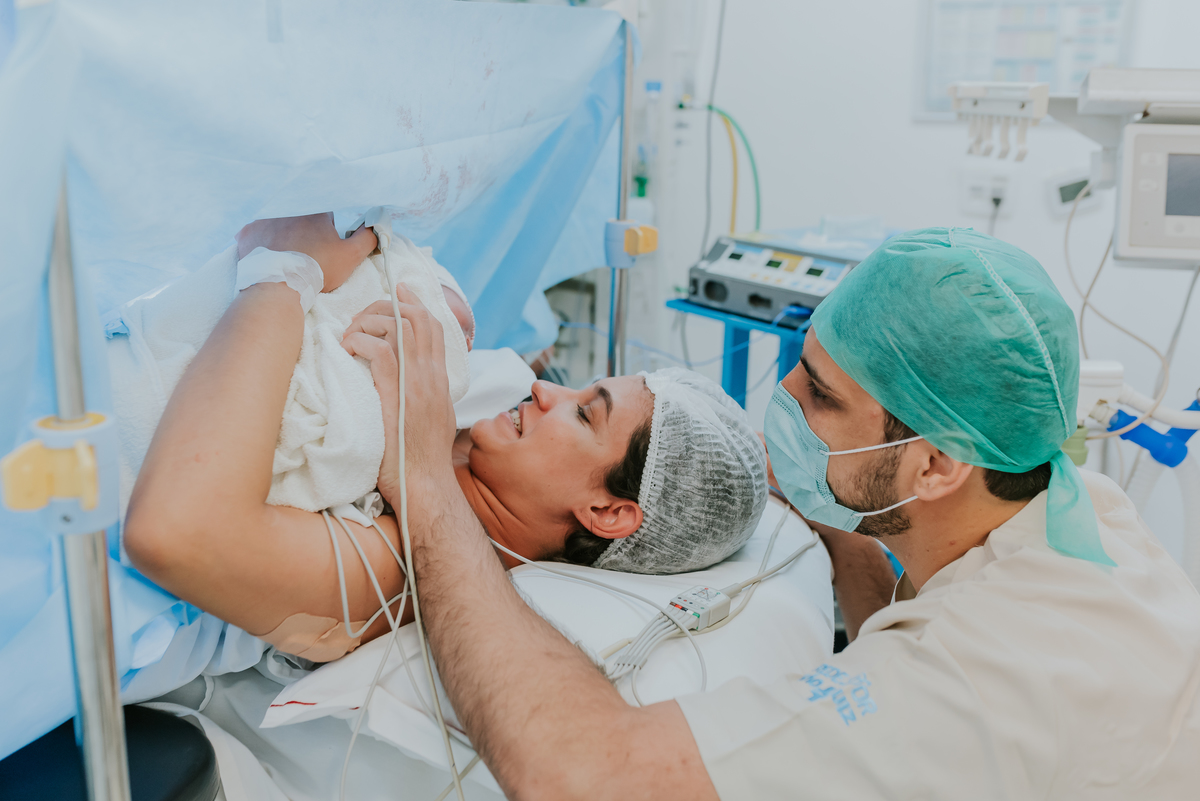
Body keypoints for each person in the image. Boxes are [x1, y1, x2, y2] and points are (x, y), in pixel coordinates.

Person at [383, 227, 1200, 799]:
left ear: (937, 464)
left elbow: (580, 774)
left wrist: (423, 479)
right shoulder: (1068, 502)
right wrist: (835, 520)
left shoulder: (975, 684)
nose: (783, 400)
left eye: (820, 394)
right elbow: (919, 623)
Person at [123, 214, 768, 663]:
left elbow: (176, 531)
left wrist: (282, 272)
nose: (547, 392)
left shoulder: (395, 570)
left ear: (607, 512)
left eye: (583, 415)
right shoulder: (469, 423)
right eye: (580, 389)